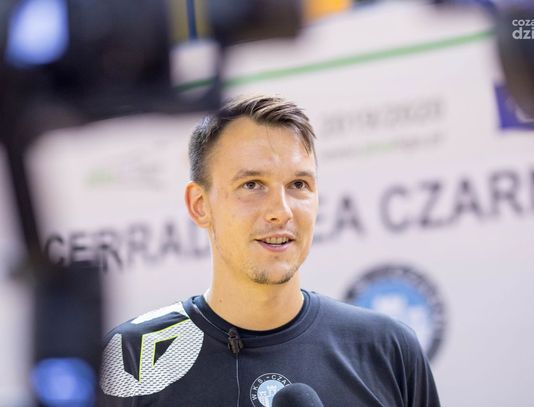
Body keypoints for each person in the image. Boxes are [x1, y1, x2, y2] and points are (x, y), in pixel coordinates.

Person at [99, 95, 440, 407]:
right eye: (252, 185)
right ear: (200, 205)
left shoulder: (387, 348)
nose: (281, 211)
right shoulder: (131, 359)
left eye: (298, 185)